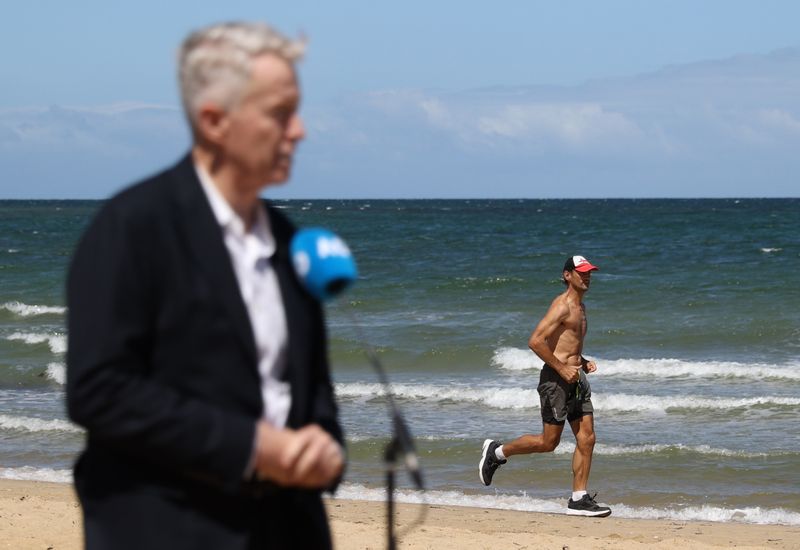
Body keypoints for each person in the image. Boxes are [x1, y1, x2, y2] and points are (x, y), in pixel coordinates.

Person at [66, 22, 345, 549]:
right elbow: (98, 390)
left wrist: (327, 450)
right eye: (280, 113)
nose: (299, 131)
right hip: (168, 528)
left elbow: (313, 394)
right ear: (215, 121)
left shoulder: (291, 241)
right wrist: (253, 447)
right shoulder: (132, 227)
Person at [479, 255, 611, 517]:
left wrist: (582, 362)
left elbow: (564, 344)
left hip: (576, 379)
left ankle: (579, 498)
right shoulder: (562, 306)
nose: (587, 277)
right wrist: (562, 368)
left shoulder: (581, 307)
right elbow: (536, 341)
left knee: (587, 438)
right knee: (548, 442)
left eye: (589, 272)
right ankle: (498, 452)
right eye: (581, 272)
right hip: (555, 381)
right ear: (567, 275)